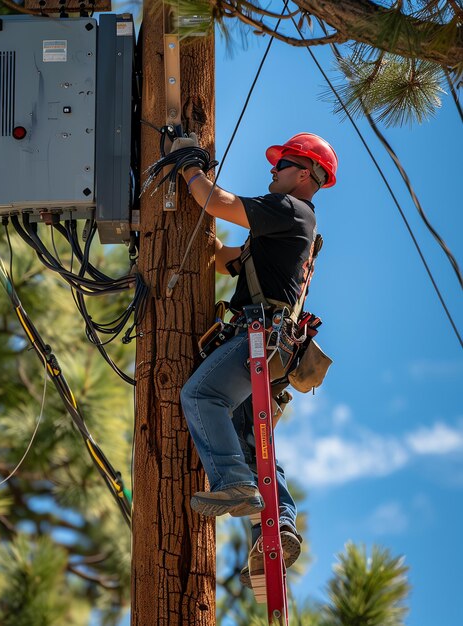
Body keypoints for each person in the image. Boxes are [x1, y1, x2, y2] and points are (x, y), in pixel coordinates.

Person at [174, 132, 338, 585]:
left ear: (304, 173)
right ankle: (277, 528)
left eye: (281, 164)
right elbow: (226, 259)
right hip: (272, 345)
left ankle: (232, 482)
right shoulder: (286, 230)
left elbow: (216, 201)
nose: (273, 171)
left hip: (258, 337)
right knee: (253, 442)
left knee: (202, 395)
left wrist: (188, 167)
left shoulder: (289, 210)